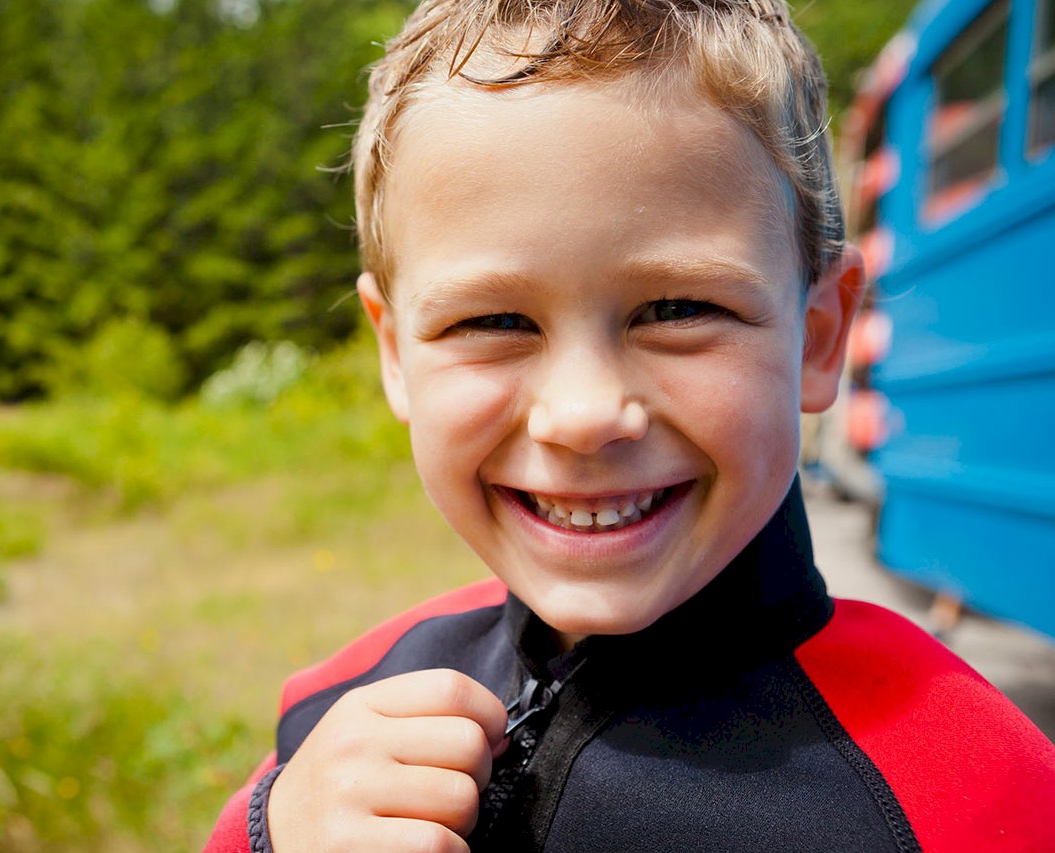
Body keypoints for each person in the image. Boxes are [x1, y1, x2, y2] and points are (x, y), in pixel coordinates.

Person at [204, 0, 1055, 850]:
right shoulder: (338, 714)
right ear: (396, 352)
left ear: (820, 337)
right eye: (494, 322)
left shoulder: (978, 797)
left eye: (679, 308)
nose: (582, 416)